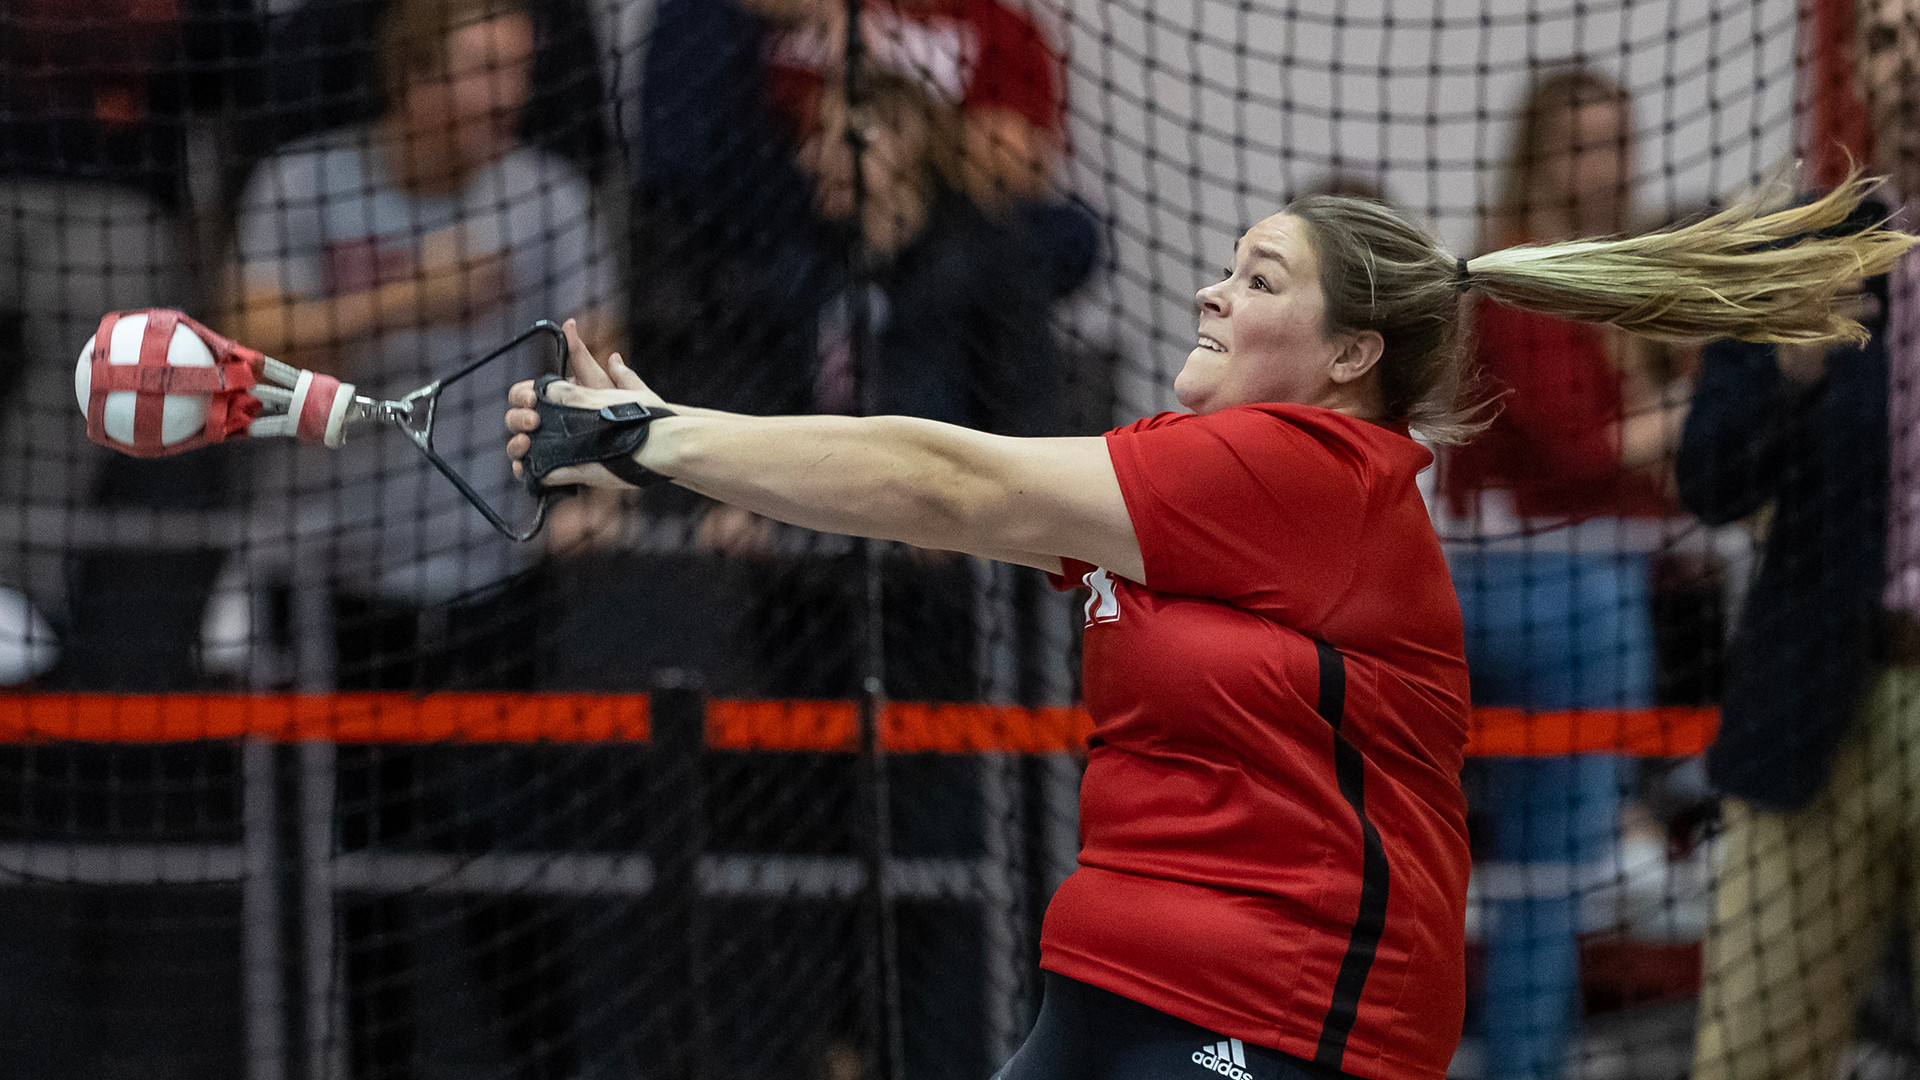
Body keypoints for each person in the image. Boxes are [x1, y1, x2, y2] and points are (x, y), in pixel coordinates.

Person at [506, 172, 1908, 1078]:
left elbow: (948, 472)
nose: (1210, 291)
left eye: (1257, 278)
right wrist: (662, 434)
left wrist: (657, 438)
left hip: (1294, 1014)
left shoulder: (1306, 473)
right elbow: (943, 507)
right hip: (1111, 982)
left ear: (1351, 359)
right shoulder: (1186, 471)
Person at [226, 0, 617, 1077]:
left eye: (516, 72)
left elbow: (600, 367)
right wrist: (413, 296)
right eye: (480, 71)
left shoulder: (545, 195)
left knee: (506, 860)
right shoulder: (303, 184)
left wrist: (595, 478)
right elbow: (248, 349)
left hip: (491, 580)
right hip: (331, 583)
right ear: (414, 78)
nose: (506, 96)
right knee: (359, 875)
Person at [1679, 1, 1920, 1077]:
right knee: (1754, 1059)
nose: (1907, 61)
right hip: (1821, 697)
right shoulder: (1797, 251)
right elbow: (1711, 482)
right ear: (1860, 74)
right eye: (1883, 38)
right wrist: (1787, 367)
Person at [1439, 68, 1690, 1080]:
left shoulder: (1598, 271)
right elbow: (1576, 451)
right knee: (1542, 879)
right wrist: (1699, 408)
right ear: (1539, 154)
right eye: (1583, 144)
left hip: (1576, 575)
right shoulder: (1523, 270)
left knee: (1542, 878)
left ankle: (1521, 1056)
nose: (1606, 166)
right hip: (1548, 584)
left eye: (1617, 143)